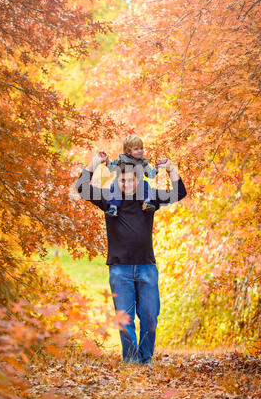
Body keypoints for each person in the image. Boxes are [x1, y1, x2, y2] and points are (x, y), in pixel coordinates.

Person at [75, 149, 187, 366]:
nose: (127, 184)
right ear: (119, 180)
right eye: (123, 180)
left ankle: (146, 361)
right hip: (119, 269)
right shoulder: (109, 198)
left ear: (138, 180)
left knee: (150, 318)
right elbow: (81, 188)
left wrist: (170, 169)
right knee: (125, 321)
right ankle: (132, 362)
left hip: (146, 267)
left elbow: (179, 193)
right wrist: (94, 164)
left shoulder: (149, 198)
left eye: (131, 180)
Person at [104, 135, 159, 217]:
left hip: (136, 185)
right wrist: (108, 162)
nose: (140, 151)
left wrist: (156, 169)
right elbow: (112, 168)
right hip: (122, 184)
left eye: (141, 148)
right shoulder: (121, 160)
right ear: (128, 151)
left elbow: (150, 175)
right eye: (136, 149)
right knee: (114, 185)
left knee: (145, 184)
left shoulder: (142, 162)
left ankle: (146, 203)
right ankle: (113, 208)